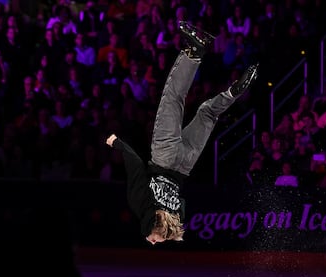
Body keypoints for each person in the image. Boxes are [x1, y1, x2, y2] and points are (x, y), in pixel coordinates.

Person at [106, 21, 259, 245]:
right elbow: (136, 165)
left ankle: (232, 93)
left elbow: (179, 206)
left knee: (208, 114)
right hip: (164, 156)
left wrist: (165, 225)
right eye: (155, 240)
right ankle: (194, 52)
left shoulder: (178, 215)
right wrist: (117, 142)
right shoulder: (140, 205)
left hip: (186, 164)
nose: (153, 242)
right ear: (150, 225)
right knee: (173, 98)